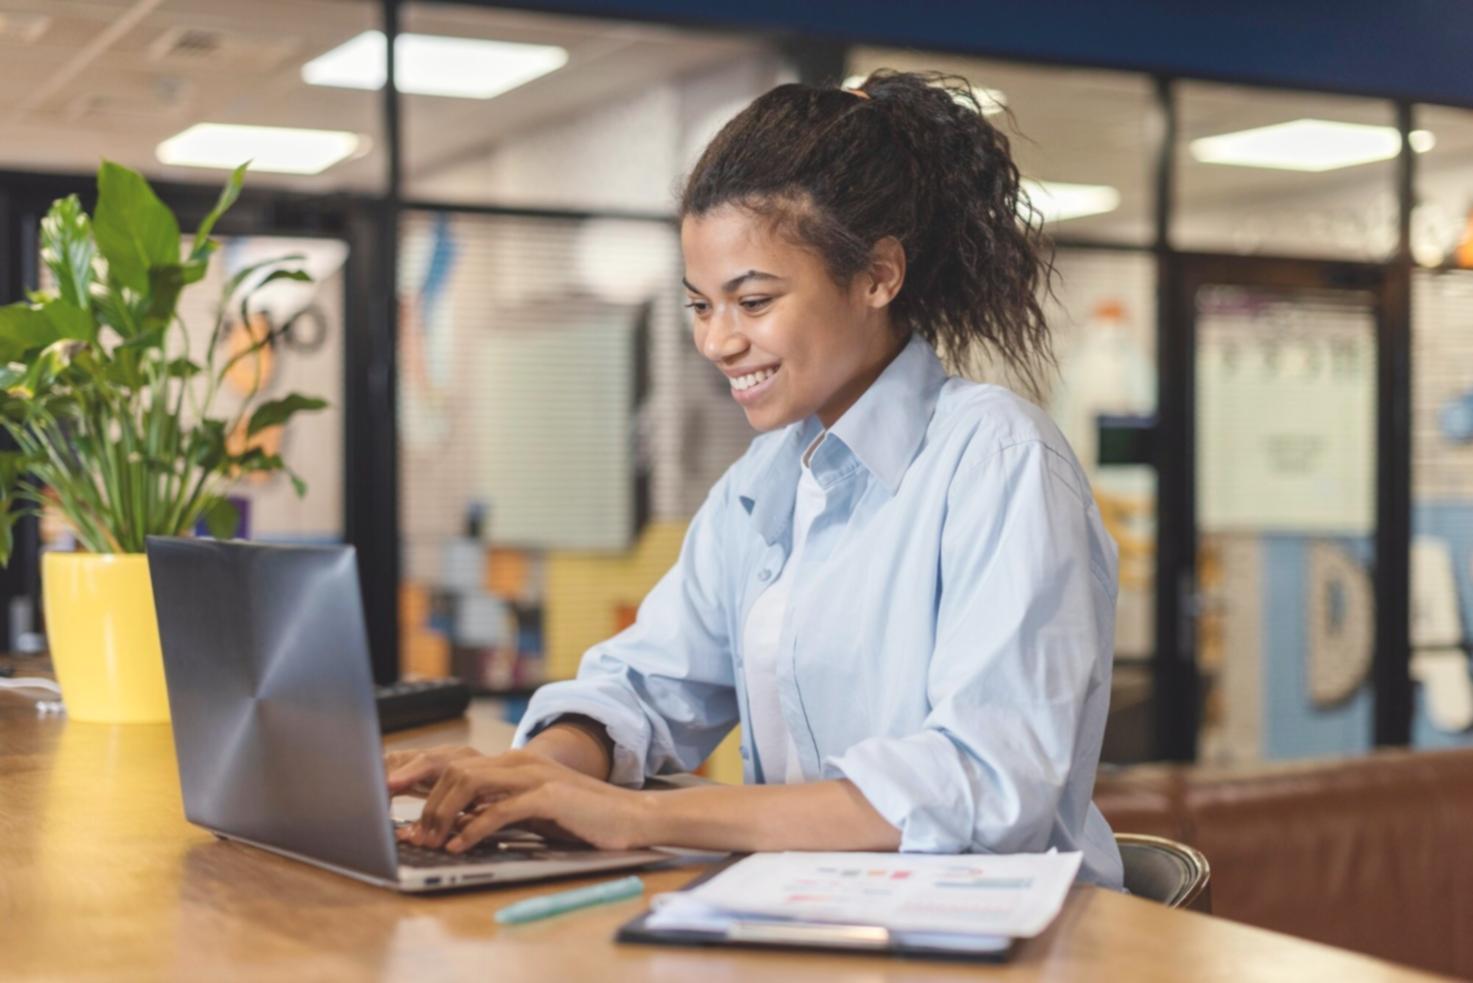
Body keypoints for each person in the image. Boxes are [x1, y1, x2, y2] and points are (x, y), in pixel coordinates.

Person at [386, 70, 1124, 888]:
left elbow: (983, 785)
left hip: (1012, 944)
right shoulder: (764, 479)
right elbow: (645, 681)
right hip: (817, 912)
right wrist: (545, 772)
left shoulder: (998, 461)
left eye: (753, 300)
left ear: (878, 275)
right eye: (700, 305)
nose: (718, 341)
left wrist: (640, 816)